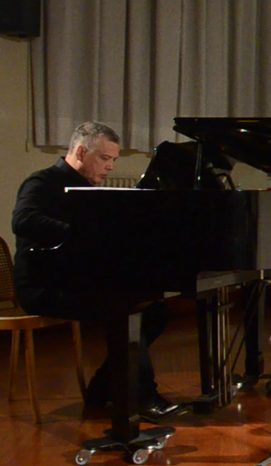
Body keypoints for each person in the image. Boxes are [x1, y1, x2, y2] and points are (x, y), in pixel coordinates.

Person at [12, 121, 181, 422]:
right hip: (43, 285)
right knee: (124, 307)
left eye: (113, 160)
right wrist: (75, 233)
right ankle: (142, 396)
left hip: (77, 281)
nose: (110, 167)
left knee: (155, 311)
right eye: (105, 158)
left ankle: (102, 388)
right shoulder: (42, 182)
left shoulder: (91, 191)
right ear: (80, 152)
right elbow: (23, 220)